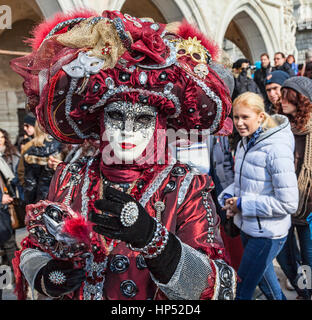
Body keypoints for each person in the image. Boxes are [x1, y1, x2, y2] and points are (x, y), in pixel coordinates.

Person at [10, 10, 236, 300]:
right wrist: (48, 275)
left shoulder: (185, 186)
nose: (127, 131)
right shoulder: (71, 177)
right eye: (116, 117)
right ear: (101, 122)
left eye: (141, 120)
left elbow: (216, 287)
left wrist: (155, 241)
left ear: (158, 126)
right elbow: (34, 247)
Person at [218, 92, 298, 300]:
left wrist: (243, 204)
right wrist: (227, 197)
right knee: (268, 286)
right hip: (250, 227)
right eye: (236, 117)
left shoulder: (276, 148)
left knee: (241, 291)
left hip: (267, 235)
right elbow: (247, 182)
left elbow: (288, 203)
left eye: (245, 117)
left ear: (260, 117)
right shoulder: (247, 141)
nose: (239, 123)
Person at [275, 76, 312, 300]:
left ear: (302, 100)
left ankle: (307, 292)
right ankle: (302, 289)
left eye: (289, 97)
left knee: (309, 256)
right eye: (282, 97)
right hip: (283, 202)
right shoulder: (278, 126)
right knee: (284, 256)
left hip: (308, 206)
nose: (282, 102)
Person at [19, 122, 63, 205]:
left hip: (39, 198)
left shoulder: (29, 148)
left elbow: (29, 181)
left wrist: (30, 203)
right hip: (61, 196)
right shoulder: (62, 147)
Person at [0, 129, 21, 288]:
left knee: (9, 247)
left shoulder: (4, 157)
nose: (0, 141)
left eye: (2, 138)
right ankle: (9, 282)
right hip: (2, 210)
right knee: (8, 247)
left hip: (5, 211)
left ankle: (7, 282)